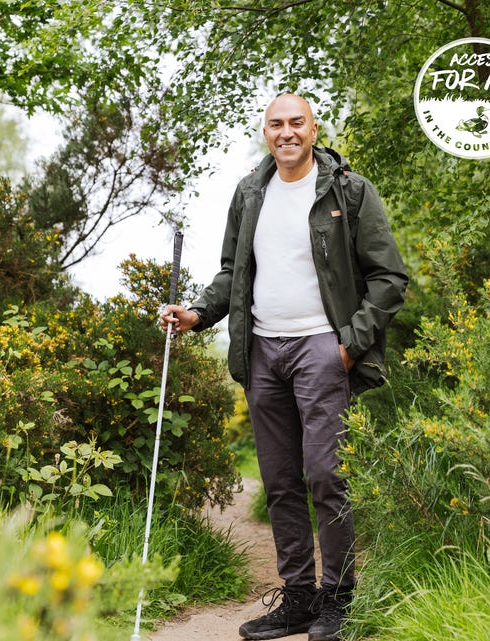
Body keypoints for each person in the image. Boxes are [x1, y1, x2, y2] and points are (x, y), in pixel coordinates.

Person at [161, 94, 408, 641]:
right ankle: (297, 599)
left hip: (323, 349)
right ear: (265, 132)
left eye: (297, 122)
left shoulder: (349, 190)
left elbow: (389, 279)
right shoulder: (251, 192)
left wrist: (347, 346)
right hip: (261, 353)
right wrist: (199, 312)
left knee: (326, 474)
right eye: (277, 124)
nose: (287, 132)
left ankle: (338, 599)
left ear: (314, 128)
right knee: (279, 481)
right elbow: (233, 271)